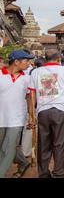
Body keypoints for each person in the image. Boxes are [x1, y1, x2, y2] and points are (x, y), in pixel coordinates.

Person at [27, 49, 64, 178]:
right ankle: (59, 173)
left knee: (43, 143)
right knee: (60, 143)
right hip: (60, 110)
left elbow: (31, 94)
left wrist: (32, 115)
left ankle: (43, 173)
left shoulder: (36, 72)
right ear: (59, 58)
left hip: (42, 111)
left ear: (45, 58)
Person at [0, 50, 34, 178]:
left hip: (17, 119)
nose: (28, 64)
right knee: (4, 147)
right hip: (1, 117)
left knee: (7, 149)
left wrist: (31, 116)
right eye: (26, 61)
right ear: (16, 62)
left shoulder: (27, 78)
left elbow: (30, 98)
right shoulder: (0, 75)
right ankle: (23, 162)